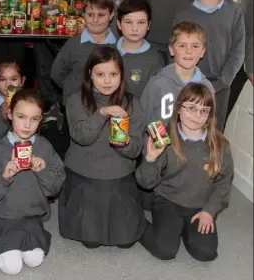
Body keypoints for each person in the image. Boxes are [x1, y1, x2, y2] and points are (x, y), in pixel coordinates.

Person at [58, 46, 146, 248]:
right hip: (85, 175)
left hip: (118, 176)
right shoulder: (75, 100)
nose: (107, 81)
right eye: (100, 74)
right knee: (91, 242)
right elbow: (82, 137)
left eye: (113, 74)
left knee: (126, 242)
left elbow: (136, 150)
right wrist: (102, 113)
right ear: (90, 74)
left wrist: (125, 144)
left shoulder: (133, 103)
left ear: (121, 75)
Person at [136, 83, 234, 262]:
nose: (197, 116)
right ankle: (135, 222)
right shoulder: (163, 137)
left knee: (205, 253)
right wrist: (150, 158)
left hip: (199, 205)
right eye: (191, 108)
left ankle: (183, 229)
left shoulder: (220, 145)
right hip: (167, 200)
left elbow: (224, 182)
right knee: (165, 250)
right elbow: (145, 182)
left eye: (204, 111)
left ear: (210, 115)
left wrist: (209, 211)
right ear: (179, 108)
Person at [0, 89, 65, 275]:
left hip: (31, 216)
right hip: (3, 216)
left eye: (34, 119)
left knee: (34, 260)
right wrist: (5, 177)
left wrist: (42, 171)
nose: (27, 125)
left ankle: (24, 239)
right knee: (13, 268)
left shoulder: (43, 146)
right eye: (21, 116)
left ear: (41, 119)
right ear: (10, 114)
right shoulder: (0, 149)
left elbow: (55, 188)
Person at [173, 0, 245, 131]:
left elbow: (238, 50)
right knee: (185, 131)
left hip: (220, 87)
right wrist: (183, 81)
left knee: (213, 133)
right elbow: (176, 50)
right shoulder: (183, 14)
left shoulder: (233, 11)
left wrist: (223, 82)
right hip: (188, 85)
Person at [209, 0, 254, 124]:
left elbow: (251, 30)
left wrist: (251, 67)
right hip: (199, 62)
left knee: (217, 123)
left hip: (231, 67)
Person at [51, 0, 118, 107]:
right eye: (90, 15)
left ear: (111, 15)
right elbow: (56, 74)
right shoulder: (73, 44)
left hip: (108, 107)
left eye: (101, 15)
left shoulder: (118, 45)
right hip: (76, 107)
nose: (95, 20)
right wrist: (72, 91)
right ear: (83, 14)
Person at [140, 22, 213, 126]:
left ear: (202, 51)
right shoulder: (157, 83)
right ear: (171, 50)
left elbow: (209, 125)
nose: (189, 51)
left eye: (195, 46)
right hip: (161, 142)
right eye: (182, 46)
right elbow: (144, 119)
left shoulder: (207, 87)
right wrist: (156, 141)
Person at [116, 0, 165, 98]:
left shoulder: (155, 59)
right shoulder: (107, 51)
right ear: (119, 24)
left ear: (148, 25)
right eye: (128, 22)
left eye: (141, 22)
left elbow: (154, 98)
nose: (134, 28)